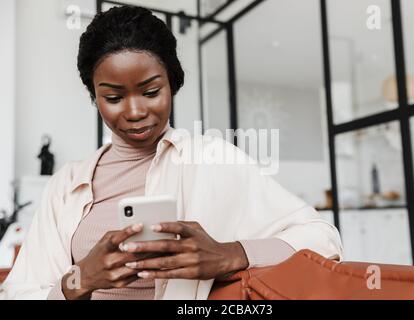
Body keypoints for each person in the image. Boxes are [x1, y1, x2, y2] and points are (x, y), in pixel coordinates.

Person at [1, 5, 343, 300]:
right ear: (95, 97)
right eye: (114, 97)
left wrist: (231, 254)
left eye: (150, 91)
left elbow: (322, 238)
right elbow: (19, 291)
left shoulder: (213, 159)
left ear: (172, 84)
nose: (134, 111)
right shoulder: (66, 185)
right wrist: (80, 280)